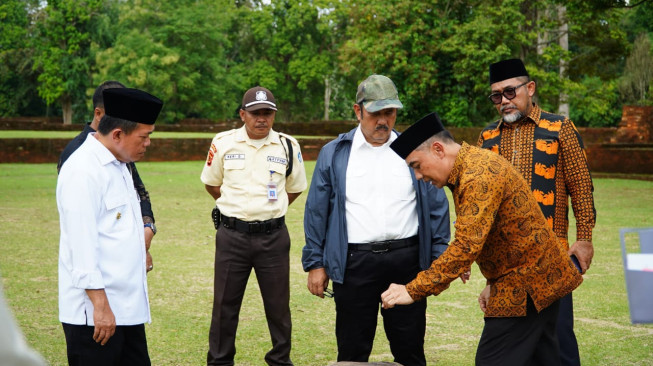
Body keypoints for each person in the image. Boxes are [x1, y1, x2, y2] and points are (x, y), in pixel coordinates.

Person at [381, 112, 584, 365]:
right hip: (535, 279)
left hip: (527, 284)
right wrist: (492, 282)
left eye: (417, 166)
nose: (419, 176)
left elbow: (466, 246)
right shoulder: (470, 166)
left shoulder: (478, 175)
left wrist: (412, 290)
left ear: (438, 150)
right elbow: (498, 234)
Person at [302, 74, 451, 366]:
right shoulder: (334, 153)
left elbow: (436, 206)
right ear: (358, 111)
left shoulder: (414, 151)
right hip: (355, 264)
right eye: (375, 113)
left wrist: (439, 258)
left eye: (390, 112)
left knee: (409, 349)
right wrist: (316, 263)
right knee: (352, 351)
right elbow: (317, 211)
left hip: (407, 262)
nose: (383, 120)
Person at [477, 58, 596, 366]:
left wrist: (584, 239)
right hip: (505, 267)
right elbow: (483, 209)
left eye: (510, 91)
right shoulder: (487, 139)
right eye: (496, 96)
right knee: (509, 347)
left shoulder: (560, 129)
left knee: (556, 344)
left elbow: (581, 188)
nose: (504, 101)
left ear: (529, 88)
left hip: (551, 259)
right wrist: (489, 277)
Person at [200, 86, 307, 366]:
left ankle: (280, 360)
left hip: (272, 237)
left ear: (274, 115)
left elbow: (294, 189)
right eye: (256, 113)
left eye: (267, 113)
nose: (262, 119)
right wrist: (236, 211)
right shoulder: (224, 142)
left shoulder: (287, 145)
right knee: (224, 305)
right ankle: (220, 361)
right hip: (232, 235)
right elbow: (212, 183)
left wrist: (271, 211)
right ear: (242, 115)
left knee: (278, 307)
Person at [57, 87, 163, 365]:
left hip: (126, 311)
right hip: (95, 316)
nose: (148, 143)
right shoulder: (83, 170)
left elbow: (119, 226)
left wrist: (141, 252)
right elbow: (81, 245)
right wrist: (100, 308)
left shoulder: (119, 164)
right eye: (145, 136)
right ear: (117, 134)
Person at [58, 81, 157, 274]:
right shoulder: (79, 161)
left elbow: (139, 192)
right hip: (101, 270)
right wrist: (98, 299)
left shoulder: (121, 152)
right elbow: (81, 232)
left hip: (125, 265)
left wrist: (147, 229)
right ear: (98, 113)